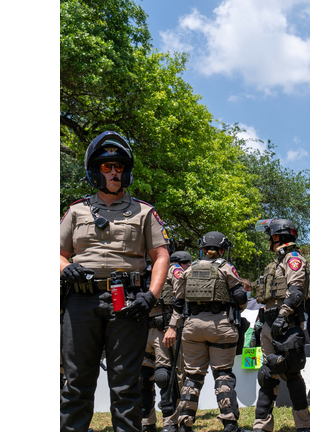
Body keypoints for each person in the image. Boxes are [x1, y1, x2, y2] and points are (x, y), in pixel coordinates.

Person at [60, 131, 170, 432]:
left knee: (126, 387)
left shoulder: (144, 212)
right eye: (107, 167)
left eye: (119, 166)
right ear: (95, 171)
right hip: (80, 303)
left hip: (128, 303)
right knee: (76, 383)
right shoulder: (76, 211)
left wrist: (151, 296)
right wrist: (64, 268)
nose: (114, 172)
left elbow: (161, 255)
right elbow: (56, 254)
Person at [162, 232, 248, 432]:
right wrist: (237, 310)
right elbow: (240, 296)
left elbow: (178, 301)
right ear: (222, 249)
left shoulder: (189, 269)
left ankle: (184, 424)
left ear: (202, 249)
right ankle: (229, 424)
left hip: (192, 327)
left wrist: (173, 326)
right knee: (223, 375)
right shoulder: (226, 268)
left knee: (192, 376)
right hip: (221, 326)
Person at [251, 219, 310, 432]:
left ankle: (303, 425)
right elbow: (268, 298)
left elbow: (295, 292)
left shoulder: (293, 259)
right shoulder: (274, 263)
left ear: (278, 237)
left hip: (286, 324)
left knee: (292, 374)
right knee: (267, 374)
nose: (269, 241)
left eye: (271, 236)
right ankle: (262, 425)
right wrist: (260, 322)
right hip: (268, 324)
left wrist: (283, 315)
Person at [140, 250, 192, 432]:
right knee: (143, 378)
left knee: (165, 377)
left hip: (165, 328)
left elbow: (181, 297)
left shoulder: (172, 269)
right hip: (143, 329)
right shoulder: (138, 267)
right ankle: (147, 422)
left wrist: (173, 325)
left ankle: (170, 423)